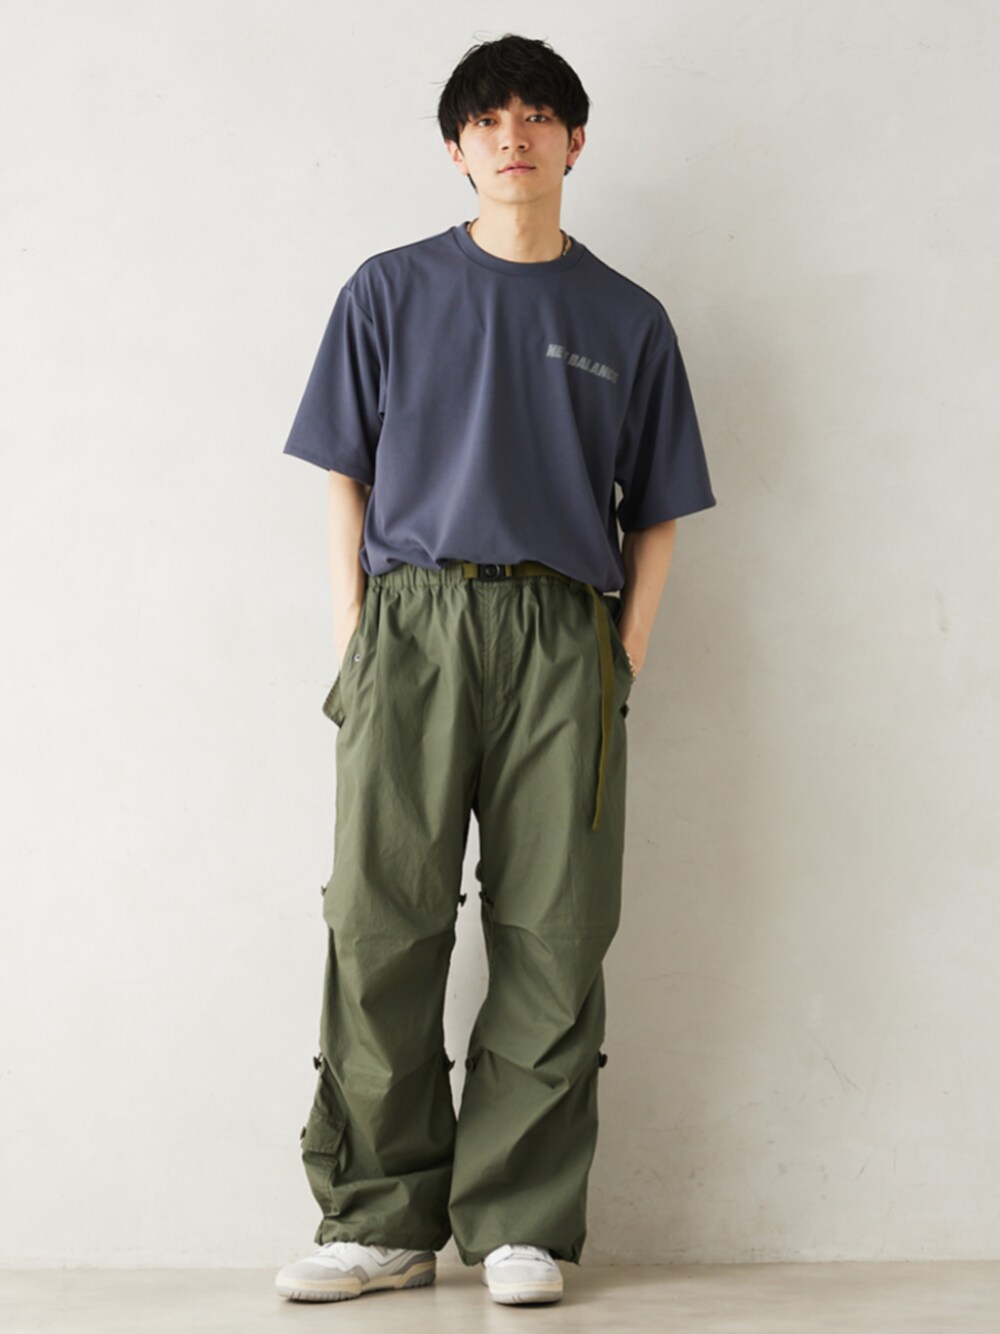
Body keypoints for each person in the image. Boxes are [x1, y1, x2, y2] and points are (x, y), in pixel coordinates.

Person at [274, 32, 717, 1307]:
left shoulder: (625, 317)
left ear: (575, 140)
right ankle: (378, 1217)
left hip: (563, 635)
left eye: (535, 116)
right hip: (410, 625)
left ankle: (522, 1217)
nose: (511, 136)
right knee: (380, 917)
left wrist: (621, 654)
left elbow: (658, 507)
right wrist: (357, 629)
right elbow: (343, 473)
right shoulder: (389, 290)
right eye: (486, 120)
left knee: (553, 925)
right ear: (455, 149)